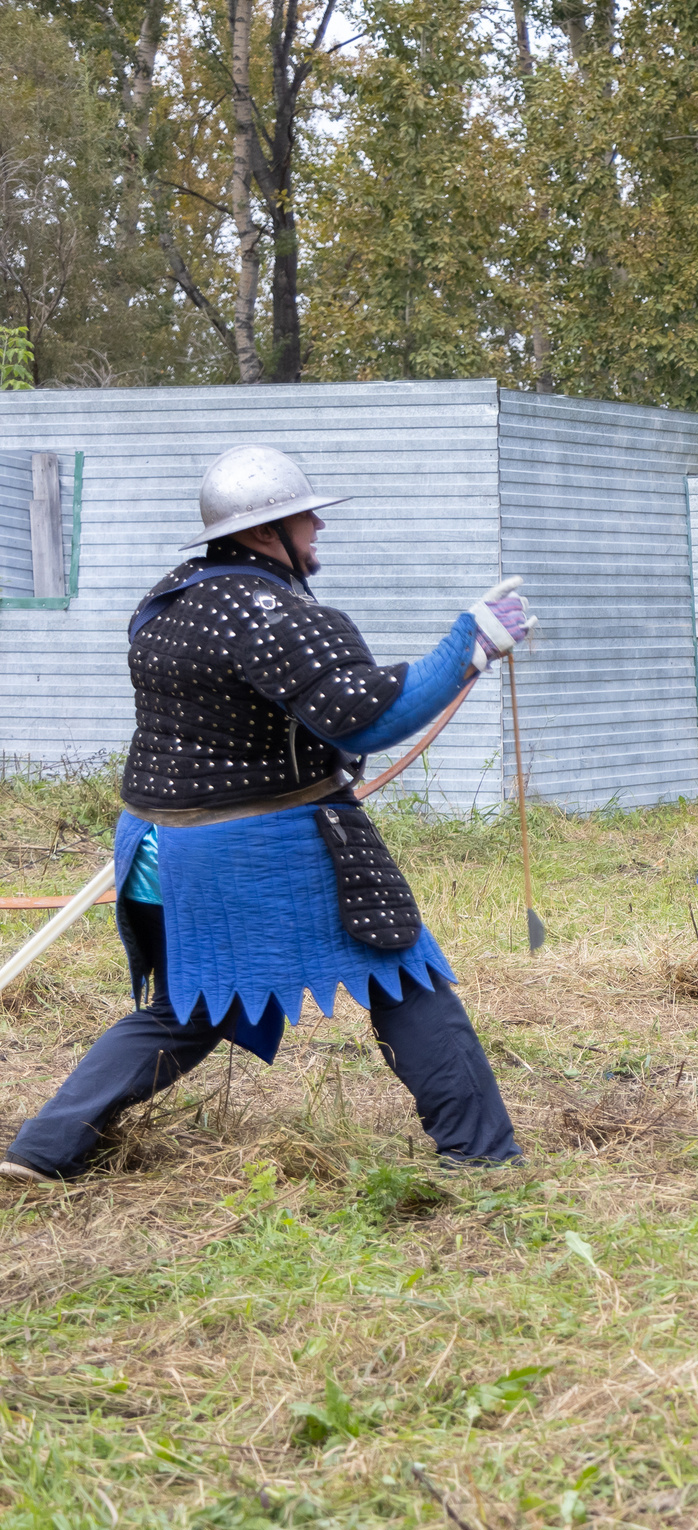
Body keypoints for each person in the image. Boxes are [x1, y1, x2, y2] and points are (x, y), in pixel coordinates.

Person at [1, 446, 530, 1183]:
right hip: (249, 844)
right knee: (406, 976)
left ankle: (43, 1147)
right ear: (259, 534)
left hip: (156, 843)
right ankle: (485, 1158)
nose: (317, 526)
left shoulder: (165, 601)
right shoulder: (269, 608)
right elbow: (359, 719)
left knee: (190, 1006)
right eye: (301, 517)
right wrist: (465, 647)